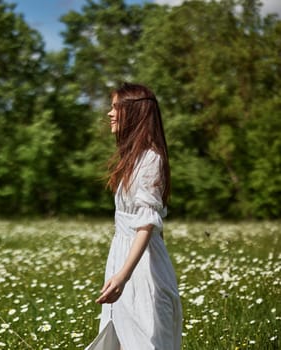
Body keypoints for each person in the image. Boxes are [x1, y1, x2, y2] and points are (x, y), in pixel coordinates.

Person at [86, 83, 182, 350]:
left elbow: (148, 224)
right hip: (123, 260)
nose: (109, 113)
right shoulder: (132, 159)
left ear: (135, 112)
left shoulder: (151, 160)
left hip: (140, 270)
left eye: (116, 107)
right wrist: (119, 273)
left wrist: (123, 276)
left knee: (145, 341)